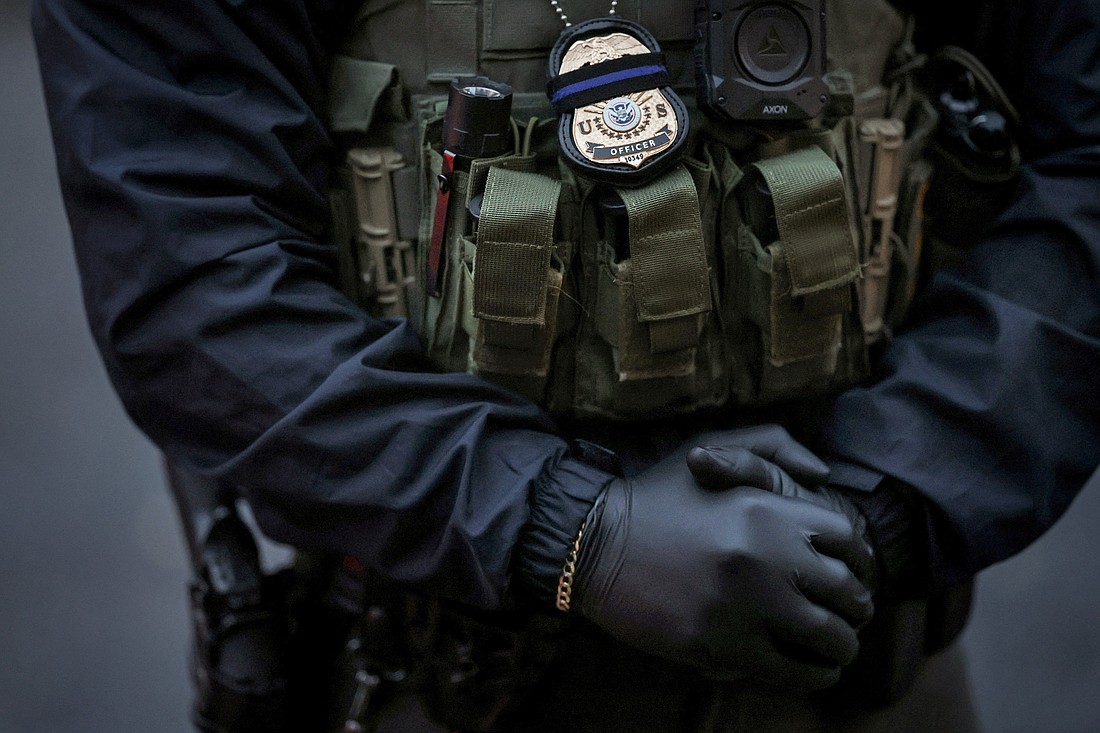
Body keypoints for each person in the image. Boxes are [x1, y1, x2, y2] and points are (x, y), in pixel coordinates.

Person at [32, 0, 1099, 731]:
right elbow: (189, 258)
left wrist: (896, 496)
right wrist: (568, 529)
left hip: (866, 662)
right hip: (452, 672)